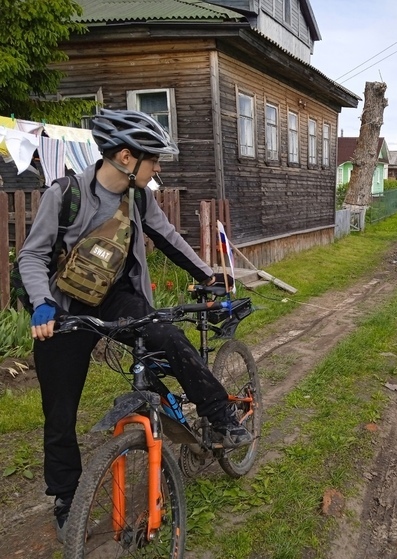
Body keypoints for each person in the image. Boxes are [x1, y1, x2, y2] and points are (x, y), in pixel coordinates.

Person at [18, 108, 252, 542]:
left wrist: (205, 274)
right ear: (126, 157)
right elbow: (32, 254)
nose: (158, 167)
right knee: (60, 412)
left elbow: (168, 237)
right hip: (64, 305)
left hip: (119, 300)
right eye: (154, 159)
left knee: (167, 334)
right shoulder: (65, 194)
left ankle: (220, 415)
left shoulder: (139, 197)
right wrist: (42, 304)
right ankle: (67, 496)